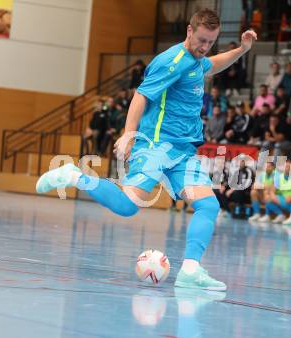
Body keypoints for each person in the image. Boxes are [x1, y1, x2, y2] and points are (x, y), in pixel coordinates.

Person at [35, 9, 257, 292]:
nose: (204, 47)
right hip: (155, 144)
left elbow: (212, 65)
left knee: (208, 205)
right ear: (189, 32)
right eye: (200, 40)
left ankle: (190, 270)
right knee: (128, 206)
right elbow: (141, 95)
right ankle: (73, 175)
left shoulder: (198, 60)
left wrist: (242, 49)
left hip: (184, 150)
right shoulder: (170, 61)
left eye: (209, 42)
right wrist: (129, 133)